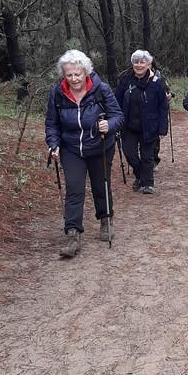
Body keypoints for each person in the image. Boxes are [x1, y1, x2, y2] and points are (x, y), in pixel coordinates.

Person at [45, 50, 124, 256]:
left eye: (77, 74)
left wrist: (110, 124)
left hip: (100, 145)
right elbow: (52, 123)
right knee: (74, 188)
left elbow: (118, 116)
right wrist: (53, 143)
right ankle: (72, 234)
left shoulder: (101, 89)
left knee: (101, 185)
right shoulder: (57, 93)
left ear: (86, 72)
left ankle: (106, 219)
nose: (73, 79)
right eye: (69, 75)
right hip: (72, 149)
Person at [115, 50, 169, 195]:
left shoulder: (156, 83)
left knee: (147, 156)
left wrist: (162, 127)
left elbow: (163, 106)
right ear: (132, 64)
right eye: (136, 62)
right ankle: (140, 176)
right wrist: (115, 121)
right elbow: (116, 102)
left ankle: (148, 183)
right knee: (130, 154)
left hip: (149, 125)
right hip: (128, 126)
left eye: (142, 62)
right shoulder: (124, 80)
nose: (139, 65)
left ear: (149, 64)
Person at [151, 58, 173, 166]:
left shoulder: (159, 77)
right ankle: (147, 161)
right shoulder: (135, 77)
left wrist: (168, 96)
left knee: (155, 139)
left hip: (157, 111)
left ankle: (154, 160)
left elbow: (168, 91)